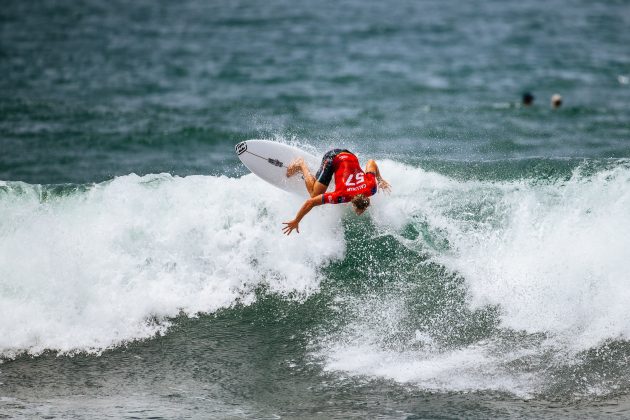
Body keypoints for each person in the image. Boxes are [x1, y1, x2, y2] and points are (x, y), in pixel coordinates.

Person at [282, 149, 391, 235]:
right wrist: (296, 220)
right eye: (359, 210)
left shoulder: (372, 187)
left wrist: (380, 180)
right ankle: (301, 164)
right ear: (353, 203)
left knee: (338, 180)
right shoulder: (341, 196)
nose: (359, 212)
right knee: (315, 194)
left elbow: (371, 162)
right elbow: (310, 202)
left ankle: (332, 175)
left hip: (350, 155)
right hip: (332, 158)